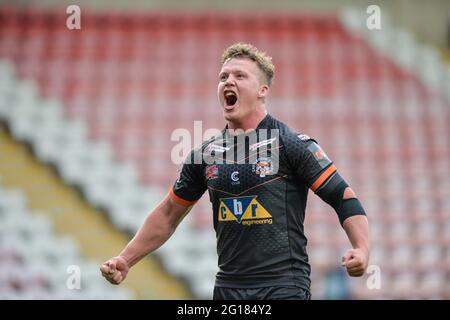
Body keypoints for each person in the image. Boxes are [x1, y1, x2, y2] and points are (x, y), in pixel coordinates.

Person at [100, 43, 370, 300]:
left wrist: (361, 248)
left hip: (282, 286)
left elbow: (342, 197)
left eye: (240, 75)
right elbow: (168, 214)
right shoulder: (205, 154)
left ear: (262, 90)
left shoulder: (290, 144)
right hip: (228, 288)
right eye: (223, 76)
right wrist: (126, 259)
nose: (229, 81)